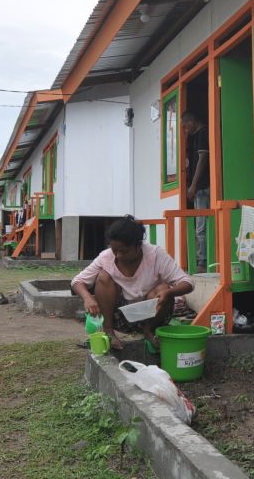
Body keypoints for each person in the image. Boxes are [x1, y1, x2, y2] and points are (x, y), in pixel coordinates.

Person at [70, 216, 194, 351]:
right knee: (103, 277)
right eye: (114, 250)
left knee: (164, 288)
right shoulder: (106, 257)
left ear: (138, 245)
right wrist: (87, 298)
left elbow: (187, 282)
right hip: (119, 317)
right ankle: (109, 332)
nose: (118, 255)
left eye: (124, 251)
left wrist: (170, 292)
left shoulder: (155, 254)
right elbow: (77, 281)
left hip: (152, 314)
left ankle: (149, 331)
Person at [182, 109, 210, 272]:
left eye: (185, 127)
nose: (185, 130)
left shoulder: (202, 134)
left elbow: (202, 159)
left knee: (201, 225)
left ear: (192, 121)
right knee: (202, 224)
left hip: (202, 186)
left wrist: (193, 185)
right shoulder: (195, 136)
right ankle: (203, 260)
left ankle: (202, 262)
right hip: (201, 186)